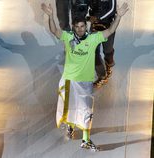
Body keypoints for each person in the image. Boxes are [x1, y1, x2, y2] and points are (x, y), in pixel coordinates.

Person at [41, 2, 128, 151]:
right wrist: (49, 16)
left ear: (86, 27)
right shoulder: (67, 37)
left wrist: (118, 17)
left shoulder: (93, 38)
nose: (80, 29)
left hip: (85, 83)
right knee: (69, 108)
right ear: (73, 27)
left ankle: (85, 140)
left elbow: (110, 30)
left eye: (83, 26)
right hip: (69, 81)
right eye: (77, 27)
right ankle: (71, 128)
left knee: (87, 111)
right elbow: (54, 30)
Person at [88, 0, 117, 88]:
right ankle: (102, 76)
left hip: (108, 26)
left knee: (107, 51)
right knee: (93, 51)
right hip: (94, 27)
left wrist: (98, 18)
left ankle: (109, 63)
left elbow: (112, 9)